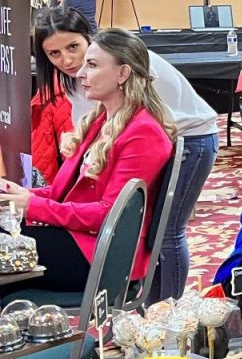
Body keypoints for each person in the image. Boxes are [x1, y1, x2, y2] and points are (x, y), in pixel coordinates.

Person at [33, 6, 220, 299]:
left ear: (89, 39)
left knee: (166, 232)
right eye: (54, 54)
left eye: (73, 48)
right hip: (141, 132)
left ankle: (166, 312)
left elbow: (143, 131)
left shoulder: (124, 66)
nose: (68, 61)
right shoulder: (89, 87)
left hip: (192, 136)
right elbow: (94, 126)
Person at [0, 29, 173, 291]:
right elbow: (69, 193)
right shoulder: (103, 119)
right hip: (84, 240)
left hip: (102, 256)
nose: (80, 74)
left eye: (91, 65)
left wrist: (32, 205)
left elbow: (109, 214)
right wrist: (25, 195)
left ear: (123, 73)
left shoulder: (143, 132)